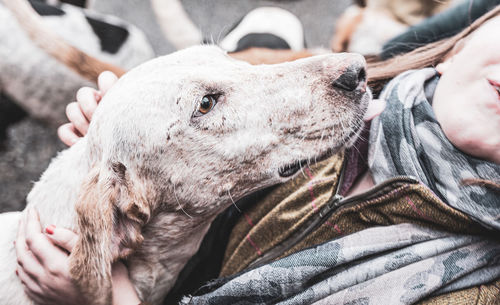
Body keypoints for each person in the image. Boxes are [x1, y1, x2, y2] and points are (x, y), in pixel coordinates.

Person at [15, 5, 500, 305]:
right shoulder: (373, 101)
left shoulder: (476, 291)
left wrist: (106, 301)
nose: (348, 68)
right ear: (456, 45)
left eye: (208, 104)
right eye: (207, 103)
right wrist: (115, 127)